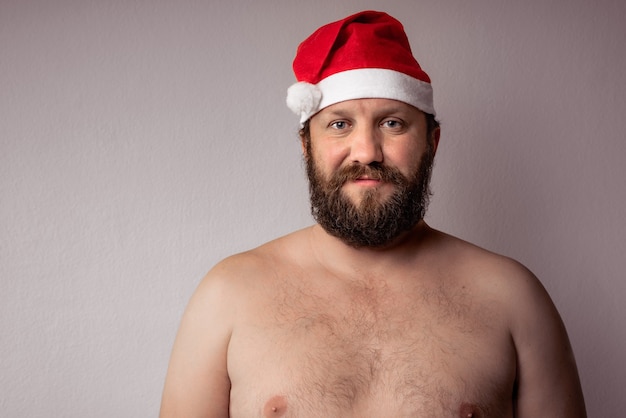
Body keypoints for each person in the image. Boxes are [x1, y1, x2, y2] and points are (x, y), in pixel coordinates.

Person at [159, 10, 586, 417]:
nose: (366, 152)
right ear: (307, 146)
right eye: (339, 124)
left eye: (393, 123)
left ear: (431, 143)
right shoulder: (227, 296)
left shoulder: (514, 299)